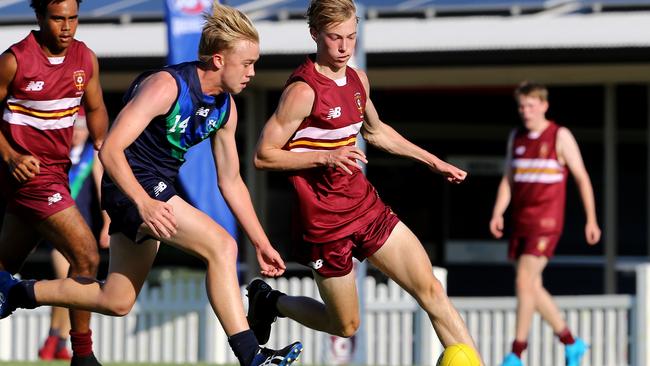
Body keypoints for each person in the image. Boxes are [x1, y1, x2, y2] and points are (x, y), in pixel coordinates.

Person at [0, 3, 303, 366]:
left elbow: (231, 181)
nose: (253, 72)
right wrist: (143, 203)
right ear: (219, 60)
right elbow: (111, 149)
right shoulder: (167, 86)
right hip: (133, 186)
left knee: (117, 300)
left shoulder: (226, 109)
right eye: (247, 63)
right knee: (221, 246)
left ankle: (14, 291)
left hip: (154, 192)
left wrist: (260, 241)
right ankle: (252, 356)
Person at [248, 0, 482, 364]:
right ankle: (271, 301)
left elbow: (376, 132)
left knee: (432, 290)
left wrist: (431, 160)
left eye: (351, 37)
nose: (344, 47)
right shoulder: (303, 90)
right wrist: (325, 156)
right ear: (315, 34)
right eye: (335, 38)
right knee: (345, 325)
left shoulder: (358, 80)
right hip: (324, 222)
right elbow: (264, 154)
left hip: (366, 207)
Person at [0, 1, 108, 365]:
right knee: (87, 255)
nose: (67, 27)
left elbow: (95, 108)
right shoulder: (14, 60)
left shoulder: (85, 59)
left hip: (58, 173)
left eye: (73, 18)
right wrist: (11, 156)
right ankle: (82, 355)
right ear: (40, 18)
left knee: (4, 265)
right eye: (58, 18)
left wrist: (102, 142)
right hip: (30, 177)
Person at [489, 81, 601, 366]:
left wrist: (591, 219)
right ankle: (571, 342)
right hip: (521, 222)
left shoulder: (559, 136)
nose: (525, 112)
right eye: (521, 106)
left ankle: (516, 352)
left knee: (524, 280)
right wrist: (498, 212)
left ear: (544, 105)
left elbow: (582, 178)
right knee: (532, 287)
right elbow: (508, 180)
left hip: (547, 222)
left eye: (531, 105)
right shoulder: (517, 137)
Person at [38, 109, 110, 361]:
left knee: (72, 286)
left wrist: (107, 223)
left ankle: (56, 338)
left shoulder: (94, 156)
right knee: (64, 279)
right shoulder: (57, 155)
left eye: (82, 127)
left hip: (83, 231)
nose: (78, 132)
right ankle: (54, 338)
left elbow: (103, 190)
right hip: (57, 230)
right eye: (74, 127)